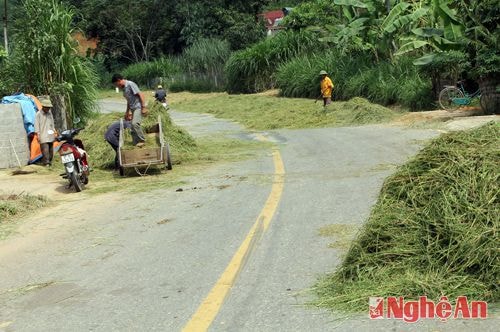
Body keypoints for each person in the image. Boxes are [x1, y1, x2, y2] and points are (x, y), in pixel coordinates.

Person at [111, 73, 148, 147]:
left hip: (138, 107)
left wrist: (143, 107)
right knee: (131, 126)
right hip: (132, 108)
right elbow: (129, 101)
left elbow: (141, 95)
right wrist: (127, 112)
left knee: (135, 124)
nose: (117, 86)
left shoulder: (130, 84)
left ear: (119, 80)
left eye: (116, 84)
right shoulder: (124, 89)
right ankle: (135, 143)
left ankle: (142, 140)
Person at [35, 96, 56, 166]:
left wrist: (54, 131)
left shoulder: (50, 113)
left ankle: (50, 161)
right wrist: (37, 134)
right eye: (47, 107)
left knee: (50, 149)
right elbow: (36, 124)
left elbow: (52, 123)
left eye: (49, 107)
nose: (48, 109)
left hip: (50, 133)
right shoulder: (38, 114)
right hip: (42, 134)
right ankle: (46, 162)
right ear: (43, 106)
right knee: (45, 149)